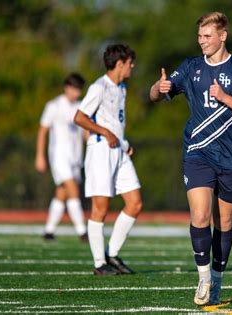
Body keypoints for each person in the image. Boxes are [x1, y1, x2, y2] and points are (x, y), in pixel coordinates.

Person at [149, 12, 232, 305]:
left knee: (223, 223)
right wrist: (157, 88)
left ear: (222, 36)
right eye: (199, 36)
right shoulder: (191, 67)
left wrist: (226, 98)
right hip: (197, 151)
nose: (202, 42)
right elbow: (155, 94)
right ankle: (203, 279)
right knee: (199, 215)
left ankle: (218, 278)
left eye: (207, 36)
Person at [74, 44, 142, 276]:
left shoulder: (121, 87)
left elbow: (116, 122)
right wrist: (104, 132)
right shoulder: (99, 87)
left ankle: (111, 254)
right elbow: (80, 117)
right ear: (120, 63)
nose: (132, 66)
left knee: (135, 203)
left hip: (119, 151)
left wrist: (125, 144)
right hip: (101, 151)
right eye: (130, 62)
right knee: (100, 208)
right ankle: (98, 263)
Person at [35, 73, 88, 242]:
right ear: (66, 88)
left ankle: (48, 231)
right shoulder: (54, 106)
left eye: (79, 90)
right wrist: (40, 156)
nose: (76, 93)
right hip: (59, 156)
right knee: (73, 190)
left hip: (75, 157)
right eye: (74, 89)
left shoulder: (81, 107)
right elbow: (43, 130)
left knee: (62, 193)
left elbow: (86, 133)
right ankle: (83, 232)